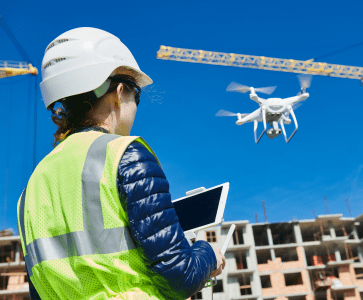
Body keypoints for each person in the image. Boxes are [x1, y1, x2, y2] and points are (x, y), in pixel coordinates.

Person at [17, 27, 225, 300]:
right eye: (136, 95)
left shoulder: (31, 189)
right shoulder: (124, 154)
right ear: (118, 92)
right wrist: (208, 253)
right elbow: (180, 275)